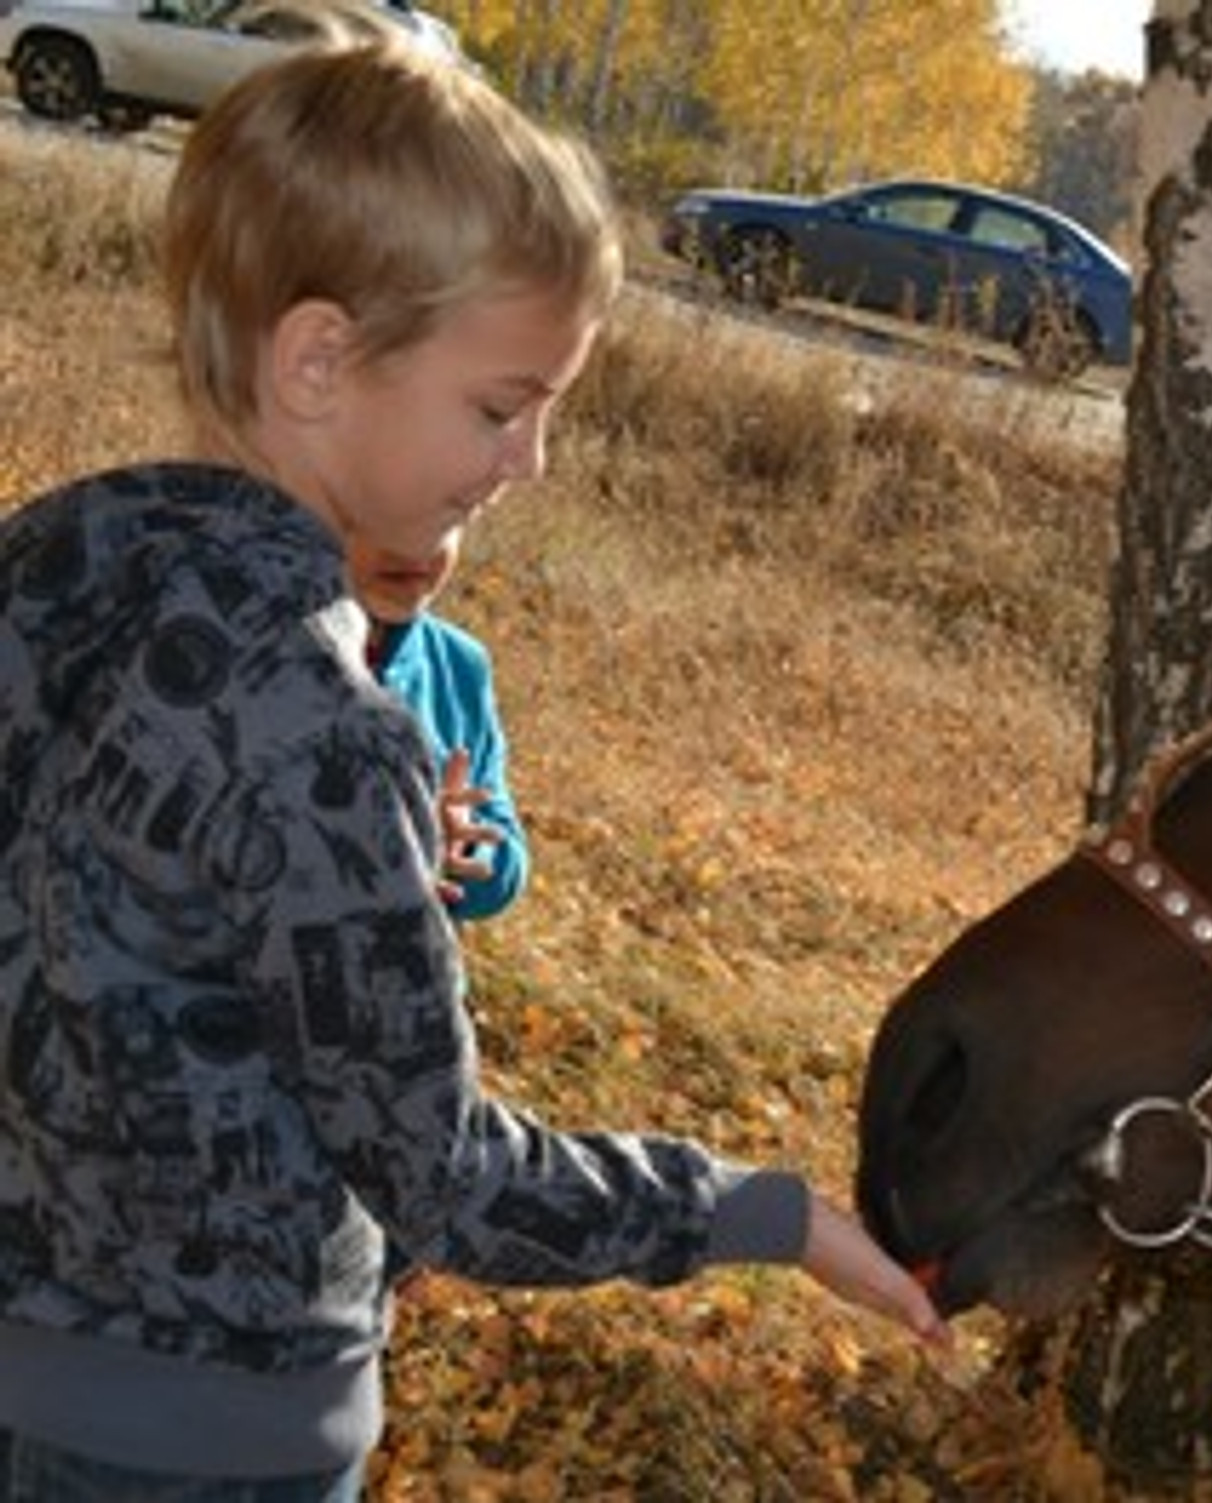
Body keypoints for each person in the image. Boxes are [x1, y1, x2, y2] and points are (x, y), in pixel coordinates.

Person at [0, 28, 944, 1502]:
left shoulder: (54, 564)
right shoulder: (325, 725)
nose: (529, 461)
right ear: (318, 360)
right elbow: (449, 1182)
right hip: (210, 1446)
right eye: (502, 405)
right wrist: (766, 1213)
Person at [350, 534, 527, 922]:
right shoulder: (271, 645)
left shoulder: (460, 663)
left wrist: (461, 845)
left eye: (444, 526)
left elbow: (507, 858)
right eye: (389, 520)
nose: (415, 547)